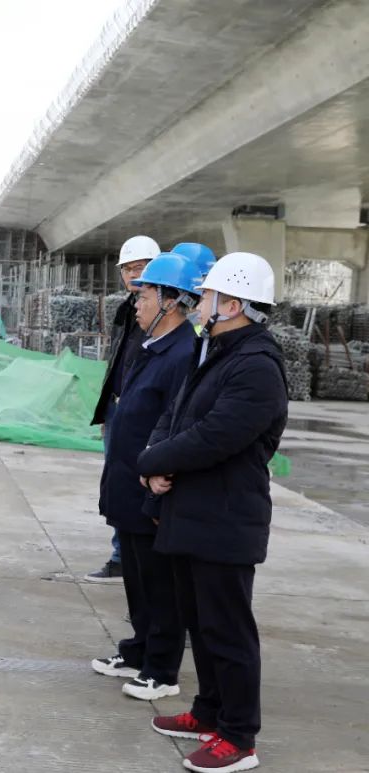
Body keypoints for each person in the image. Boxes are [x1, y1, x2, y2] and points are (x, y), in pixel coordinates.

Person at [140, 252, 287, 773]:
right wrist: (153, 462)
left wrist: (154, 461)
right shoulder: (216, 351)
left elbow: (214, 437)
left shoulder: (257, 366)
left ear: (233, 303)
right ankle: (208, 712)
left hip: (225, 519)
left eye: (207, 295)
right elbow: (176, 416)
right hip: (192, 512)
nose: (200, 303)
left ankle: (239, 736)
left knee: (227, 630)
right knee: (201, 625)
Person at [89, 253, 199, 700]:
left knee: (160, 584)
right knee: (136, 578)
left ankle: (162, 669)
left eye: (145, 296)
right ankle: (139, 649)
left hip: (152, 490)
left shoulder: (183, 354)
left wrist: (156, 484)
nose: (136, 304)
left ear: (170, 302)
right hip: (129, 484)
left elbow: (177, 427)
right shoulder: (152, 345)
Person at [86, 234, 161, 583]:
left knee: (142, 482)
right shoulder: (125, 310)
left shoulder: (164, 314)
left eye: (140, 267)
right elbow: (117, 361)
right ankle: (121, 555)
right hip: (119, 409)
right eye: (127, 269)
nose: (133, 274)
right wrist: (108, 408)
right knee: (118, 481)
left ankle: (140, 556)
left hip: (146, 414)